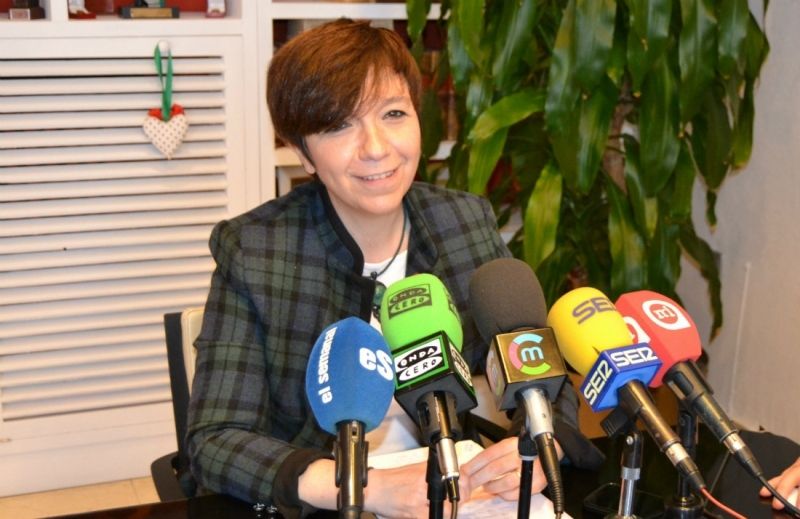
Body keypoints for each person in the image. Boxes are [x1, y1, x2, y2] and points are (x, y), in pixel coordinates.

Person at [185, 18, 598, 519]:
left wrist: (536, 442)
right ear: (301, 152)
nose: (377, 148)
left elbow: (537, 367)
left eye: (394, 113)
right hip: (326, 503)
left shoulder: (462, 221)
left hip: (458, 493)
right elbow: (215, 439)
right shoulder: (256, 250)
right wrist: (366, 488)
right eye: (339, 125)